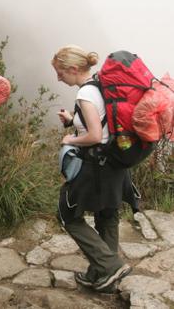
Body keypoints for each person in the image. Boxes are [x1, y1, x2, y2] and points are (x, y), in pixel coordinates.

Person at [52, 45, 133, 293]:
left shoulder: (85, 94)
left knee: (67, 214)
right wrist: (72, 121)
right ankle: (102, 277)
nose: (58, 78)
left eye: (60, 73)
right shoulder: (99, 84)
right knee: (107, 215)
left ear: (73, 69)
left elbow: (95, 135)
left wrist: (70, 140)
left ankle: (109, 265)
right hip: (115, 163)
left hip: (98, 166)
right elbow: (99, 121)